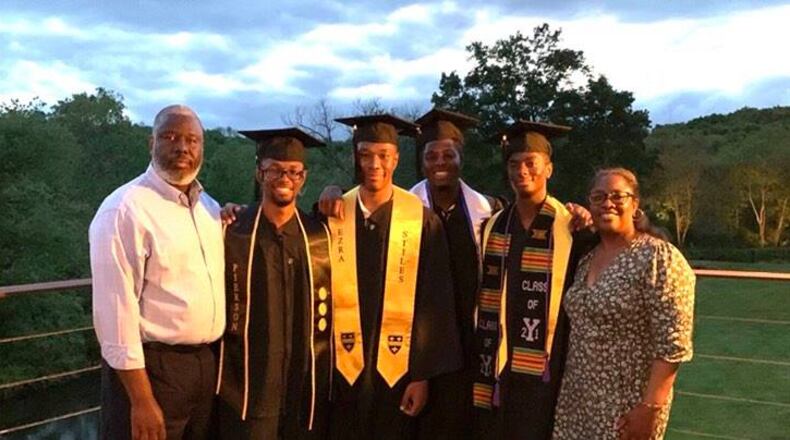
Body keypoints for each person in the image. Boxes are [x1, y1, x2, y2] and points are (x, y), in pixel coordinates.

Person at [89, 105, 224, 440]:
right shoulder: (125, 209)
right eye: (170, 137)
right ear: (151, 143)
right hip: (153, 369)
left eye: (192, 140)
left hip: (205, 366)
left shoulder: (210, 209)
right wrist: (141, 399)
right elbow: (115, 312)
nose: (183, 147)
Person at [327, 113, 462, 440]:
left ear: (397, 159)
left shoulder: (421, 220)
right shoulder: (332, 215)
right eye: (366, 154)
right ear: (356, 157)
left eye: (384, 155)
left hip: (398, 374)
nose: (375, 164)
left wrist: (422, 376)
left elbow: (436, 301)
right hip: (341, 371)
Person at [472, 120, 594, 440]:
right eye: (514, 164)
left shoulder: (571, 226)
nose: (522, 171)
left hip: (547, 363)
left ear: (549, 169)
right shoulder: (493, 225)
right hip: (496, 360)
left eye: (531, 163)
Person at [552, 168, 695, 440]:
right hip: (576, 404)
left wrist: (650, 408)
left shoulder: (657, 257)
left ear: (635, 204)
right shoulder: (585, 259)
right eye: (599, 197)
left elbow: (674, 344)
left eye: (618, 196)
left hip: (627, 407)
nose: (608, 203)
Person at [214, 128, 333, 439]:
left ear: (303, 178)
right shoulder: (232, 232)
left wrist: (334, 188)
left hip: (303, 390)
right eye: (275, 170)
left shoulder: (319, 236)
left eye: (294, 172)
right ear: (259, 174)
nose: (285, 178)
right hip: (248, 393)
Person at [409, 108, 502, 440]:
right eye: (431, 155)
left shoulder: (489, 212)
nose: (439, 162)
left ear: (461, 159)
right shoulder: (403, 213)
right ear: (421, 162)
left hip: (472, 348)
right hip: (418, 351)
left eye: (448, 154)